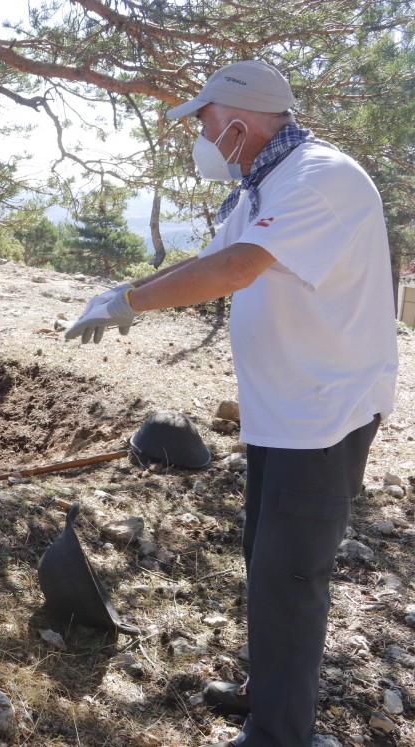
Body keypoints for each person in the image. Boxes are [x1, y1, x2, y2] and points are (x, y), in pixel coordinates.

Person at [64, 60, 398, 747]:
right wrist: (124, 293)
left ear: (240, 124)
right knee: (265, 557)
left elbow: (236, 268)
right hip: (283, 409)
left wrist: (128, 302)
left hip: (325, 413)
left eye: (206, 123)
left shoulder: (321, 178)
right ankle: (265, 690)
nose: (201, 137)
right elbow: (203, 265)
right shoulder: (262, 183)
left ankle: (281, 733)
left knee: (292, 574)